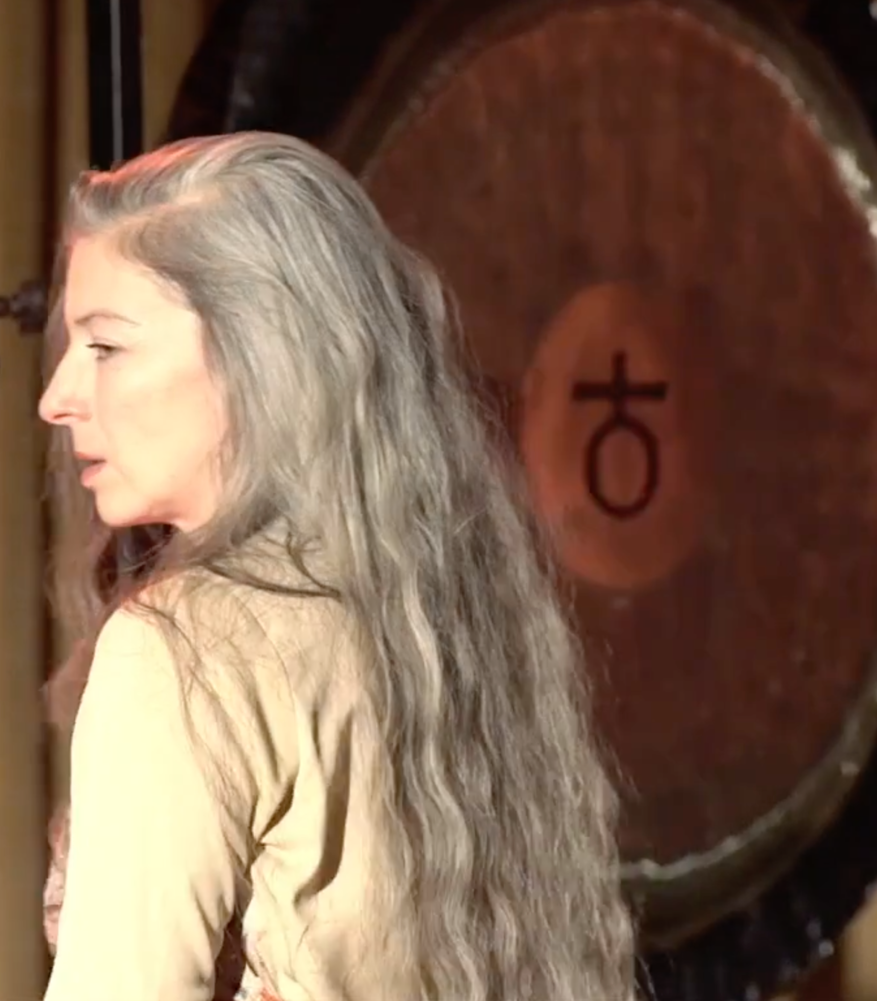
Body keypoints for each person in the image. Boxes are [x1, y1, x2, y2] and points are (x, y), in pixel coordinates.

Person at [34, 131, 637, 1001]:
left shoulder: (180, 649)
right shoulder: (443, 620)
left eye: (105, 347)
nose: (56, 397)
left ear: (256, 355)